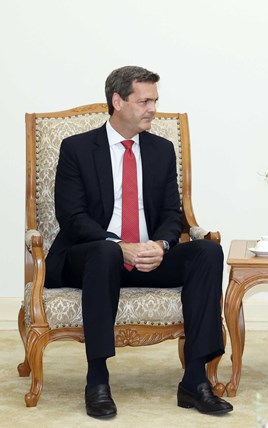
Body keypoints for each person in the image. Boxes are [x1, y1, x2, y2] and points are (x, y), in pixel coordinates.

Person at [45, 66, 233, 418]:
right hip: (91, 258)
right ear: (118, 101)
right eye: (144, 101)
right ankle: (97, 380)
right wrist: (119, 244)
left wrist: (161, 245)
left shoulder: (161, 150)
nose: (153, 109)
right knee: (104, 251)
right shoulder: (78, 149)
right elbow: (71, 218)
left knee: (207, 251)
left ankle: (195, 381)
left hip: (148, 258)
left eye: (155, 101)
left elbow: (171, 213)